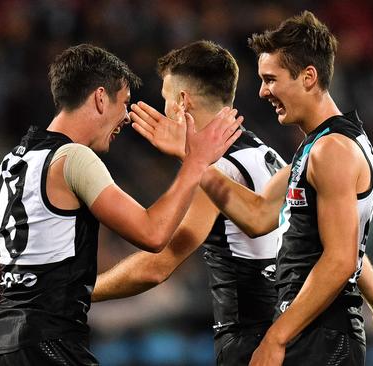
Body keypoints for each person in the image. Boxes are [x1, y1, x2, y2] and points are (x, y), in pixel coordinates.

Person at [0, 43, 243, 365]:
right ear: (101, 98)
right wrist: (195, 162)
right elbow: (153, 234)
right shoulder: (74, 158)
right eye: (124, 103)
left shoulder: (9, 163)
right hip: (51, 345)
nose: (127, 117)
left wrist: (6, 343)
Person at [193, 11, 373, 365]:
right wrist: (192, 158)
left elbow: (341, 258)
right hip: (317, 334)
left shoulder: (332, 151)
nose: (262, 91)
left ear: (309, 77)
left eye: (271, 79)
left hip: (321, 338)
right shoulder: (320, 146)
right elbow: (257, 215)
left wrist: (277, 336)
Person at [91, 40, 287, 366]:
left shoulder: (218, 170)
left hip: (252, 342)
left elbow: (158, 265)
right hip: (285, 336)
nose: (166, 109)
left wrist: (80, 291)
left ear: (182, 102)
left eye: (167, 98)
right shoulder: (267, 155)